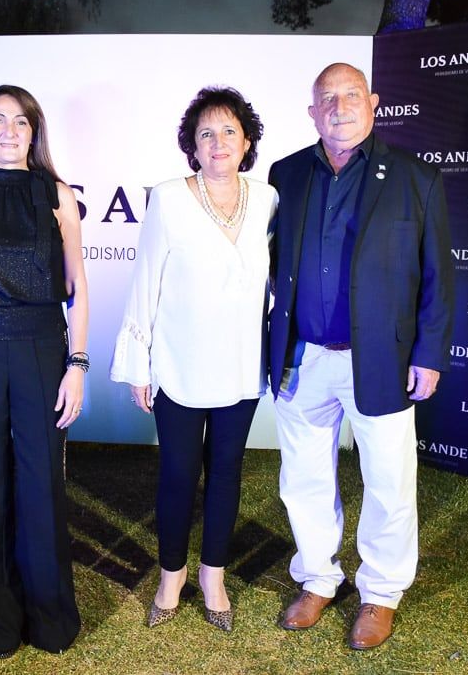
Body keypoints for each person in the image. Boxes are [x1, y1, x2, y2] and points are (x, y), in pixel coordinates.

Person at [268, 62, 453, 649]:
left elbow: (437, 277)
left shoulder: (414, 178)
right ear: (312, 111)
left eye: (351, 95)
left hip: (381, 360)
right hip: (303, 354)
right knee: (303, 477)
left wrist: (428, 354)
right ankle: (319, 578)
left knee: (390, 482)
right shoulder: (286, 174)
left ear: (373, 103)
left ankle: (380, 593)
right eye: (327, 98)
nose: (339, 107)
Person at [111, 87, 277, 632]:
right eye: (206, 132)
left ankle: (213, 576)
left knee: (226, 473)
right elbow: (146, 281)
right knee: (179, 475)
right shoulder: (169, 197)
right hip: (179, 366)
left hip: (241, 366)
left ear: (247, 140)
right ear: (192, 145)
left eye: (229, 130)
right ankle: (171, 576)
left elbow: (276, 284)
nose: (218, 141)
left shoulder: (269, 200)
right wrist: (139, 363)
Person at [0, 84, 88, 659]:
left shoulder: (58, 196)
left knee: (40, 486)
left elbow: (77, 286)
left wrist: (77, 365)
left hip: (40, 351)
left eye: (21, 122)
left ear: (34, 133)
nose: (9, 131)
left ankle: (50, 618)